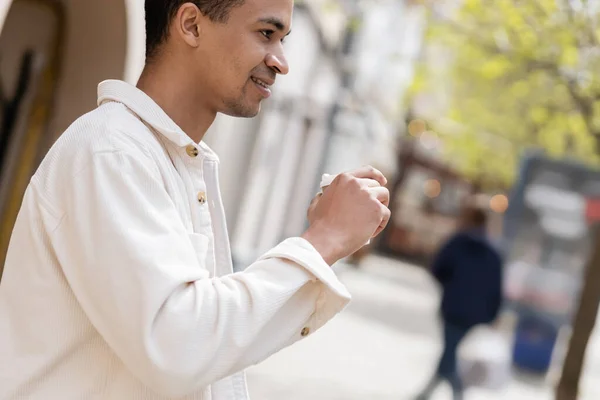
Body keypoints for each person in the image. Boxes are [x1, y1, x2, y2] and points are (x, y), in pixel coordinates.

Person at [0, 1, 391, 399]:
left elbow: (202, 339)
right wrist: (323, 239)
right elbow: (177, 345)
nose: (281, 62)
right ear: (191, 25)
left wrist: (322, 241)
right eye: (266, 34)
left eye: (284, 39)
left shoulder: (173, 161)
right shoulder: (112, 153)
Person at [416, 207, 503, 400]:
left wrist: (452, 285)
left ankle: (456, 393)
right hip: (477, 314)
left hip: (453, 307)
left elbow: (438, 268)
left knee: (450, 353)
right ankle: (427, 393)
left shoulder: (457, 242)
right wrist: (493, 314)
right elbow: (496, 289)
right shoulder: (493, 252)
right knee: (451, 350)